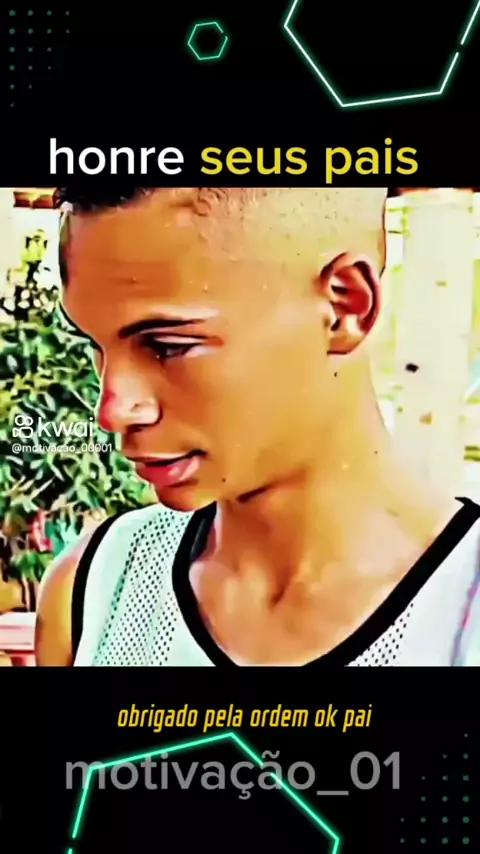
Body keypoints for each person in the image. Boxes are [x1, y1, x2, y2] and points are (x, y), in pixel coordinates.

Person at [35, 187, 480, 667]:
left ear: (345, 306)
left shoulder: (463, 605)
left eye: (168, 345)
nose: (114, 411)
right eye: (95, 346)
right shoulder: (95, 592)